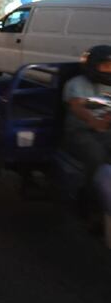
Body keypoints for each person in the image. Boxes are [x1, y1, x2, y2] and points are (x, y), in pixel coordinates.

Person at [62, 45, 111, 246]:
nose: (109, 70)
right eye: (105, 65)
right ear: (93, 66)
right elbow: (78, 108)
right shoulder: (76, 84)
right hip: (79, 132)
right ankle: (90, 203)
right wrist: (94, 122)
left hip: (105, 131)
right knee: (96, 157)